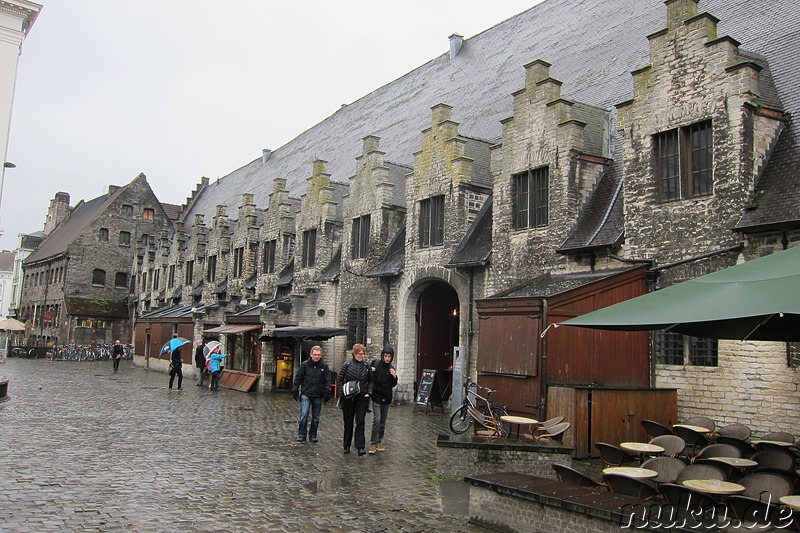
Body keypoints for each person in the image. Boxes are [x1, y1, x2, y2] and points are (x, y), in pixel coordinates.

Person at [337, 343, 373, 456]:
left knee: (360, 421)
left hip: (361, 397)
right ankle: (346, 445)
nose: (362, 356)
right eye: (359, 353)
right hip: (348, 397)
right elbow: (339, 379)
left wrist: (369, 392)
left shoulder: (366, 366)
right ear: (354, 354)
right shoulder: (347, 365)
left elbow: (371, 381)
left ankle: (360, 446)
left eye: (363, 353)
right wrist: (342, 393)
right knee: (348, 422)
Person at [291, 345, 332, 443]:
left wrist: (327, 391)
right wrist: (295, 388)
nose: (316, 357)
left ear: (321, 355)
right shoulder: (304, 365)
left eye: (318, 355)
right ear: (311, 354)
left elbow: (328, 380)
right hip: (306, 393)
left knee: (315, 418)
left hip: (318, 394)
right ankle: (302, 435)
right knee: (304, 415)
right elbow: (298, 378)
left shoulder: (324, 367)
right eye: (315, 354)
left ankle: (313, 435)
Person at [368, 346, 398, 454]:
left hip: (386, 397)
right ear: (382, 356)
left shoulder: (391, 368)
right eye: (385, 356)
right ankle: (373, 442)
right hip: (376, 396)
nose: (387, 358)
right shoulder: (375, 364)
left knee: (383, 422)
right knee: (377, 419)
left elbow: (393, 384)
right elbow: (369, 377)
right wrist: (370, 371)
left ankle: (379, 441)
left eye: (389, 356)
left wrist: (394, 377)